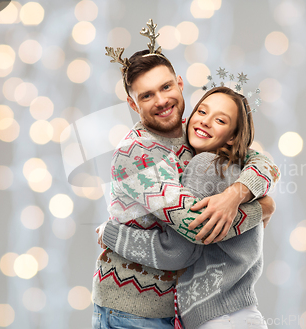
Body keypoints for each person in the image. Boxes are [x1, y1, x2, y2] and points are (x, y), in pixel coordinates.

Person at [92, 19, 278, 329]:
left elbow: (261, 160)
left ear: (179, 83)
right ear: (131, 103)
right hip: (132, 311)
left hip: (179, 310)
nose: (162, 101)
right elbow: (194, 230)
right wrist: (261, 208)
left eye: (166, 87)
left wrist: (237, 193)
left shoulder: (193, 130)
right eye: (147, 95)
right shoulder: (137, 154)